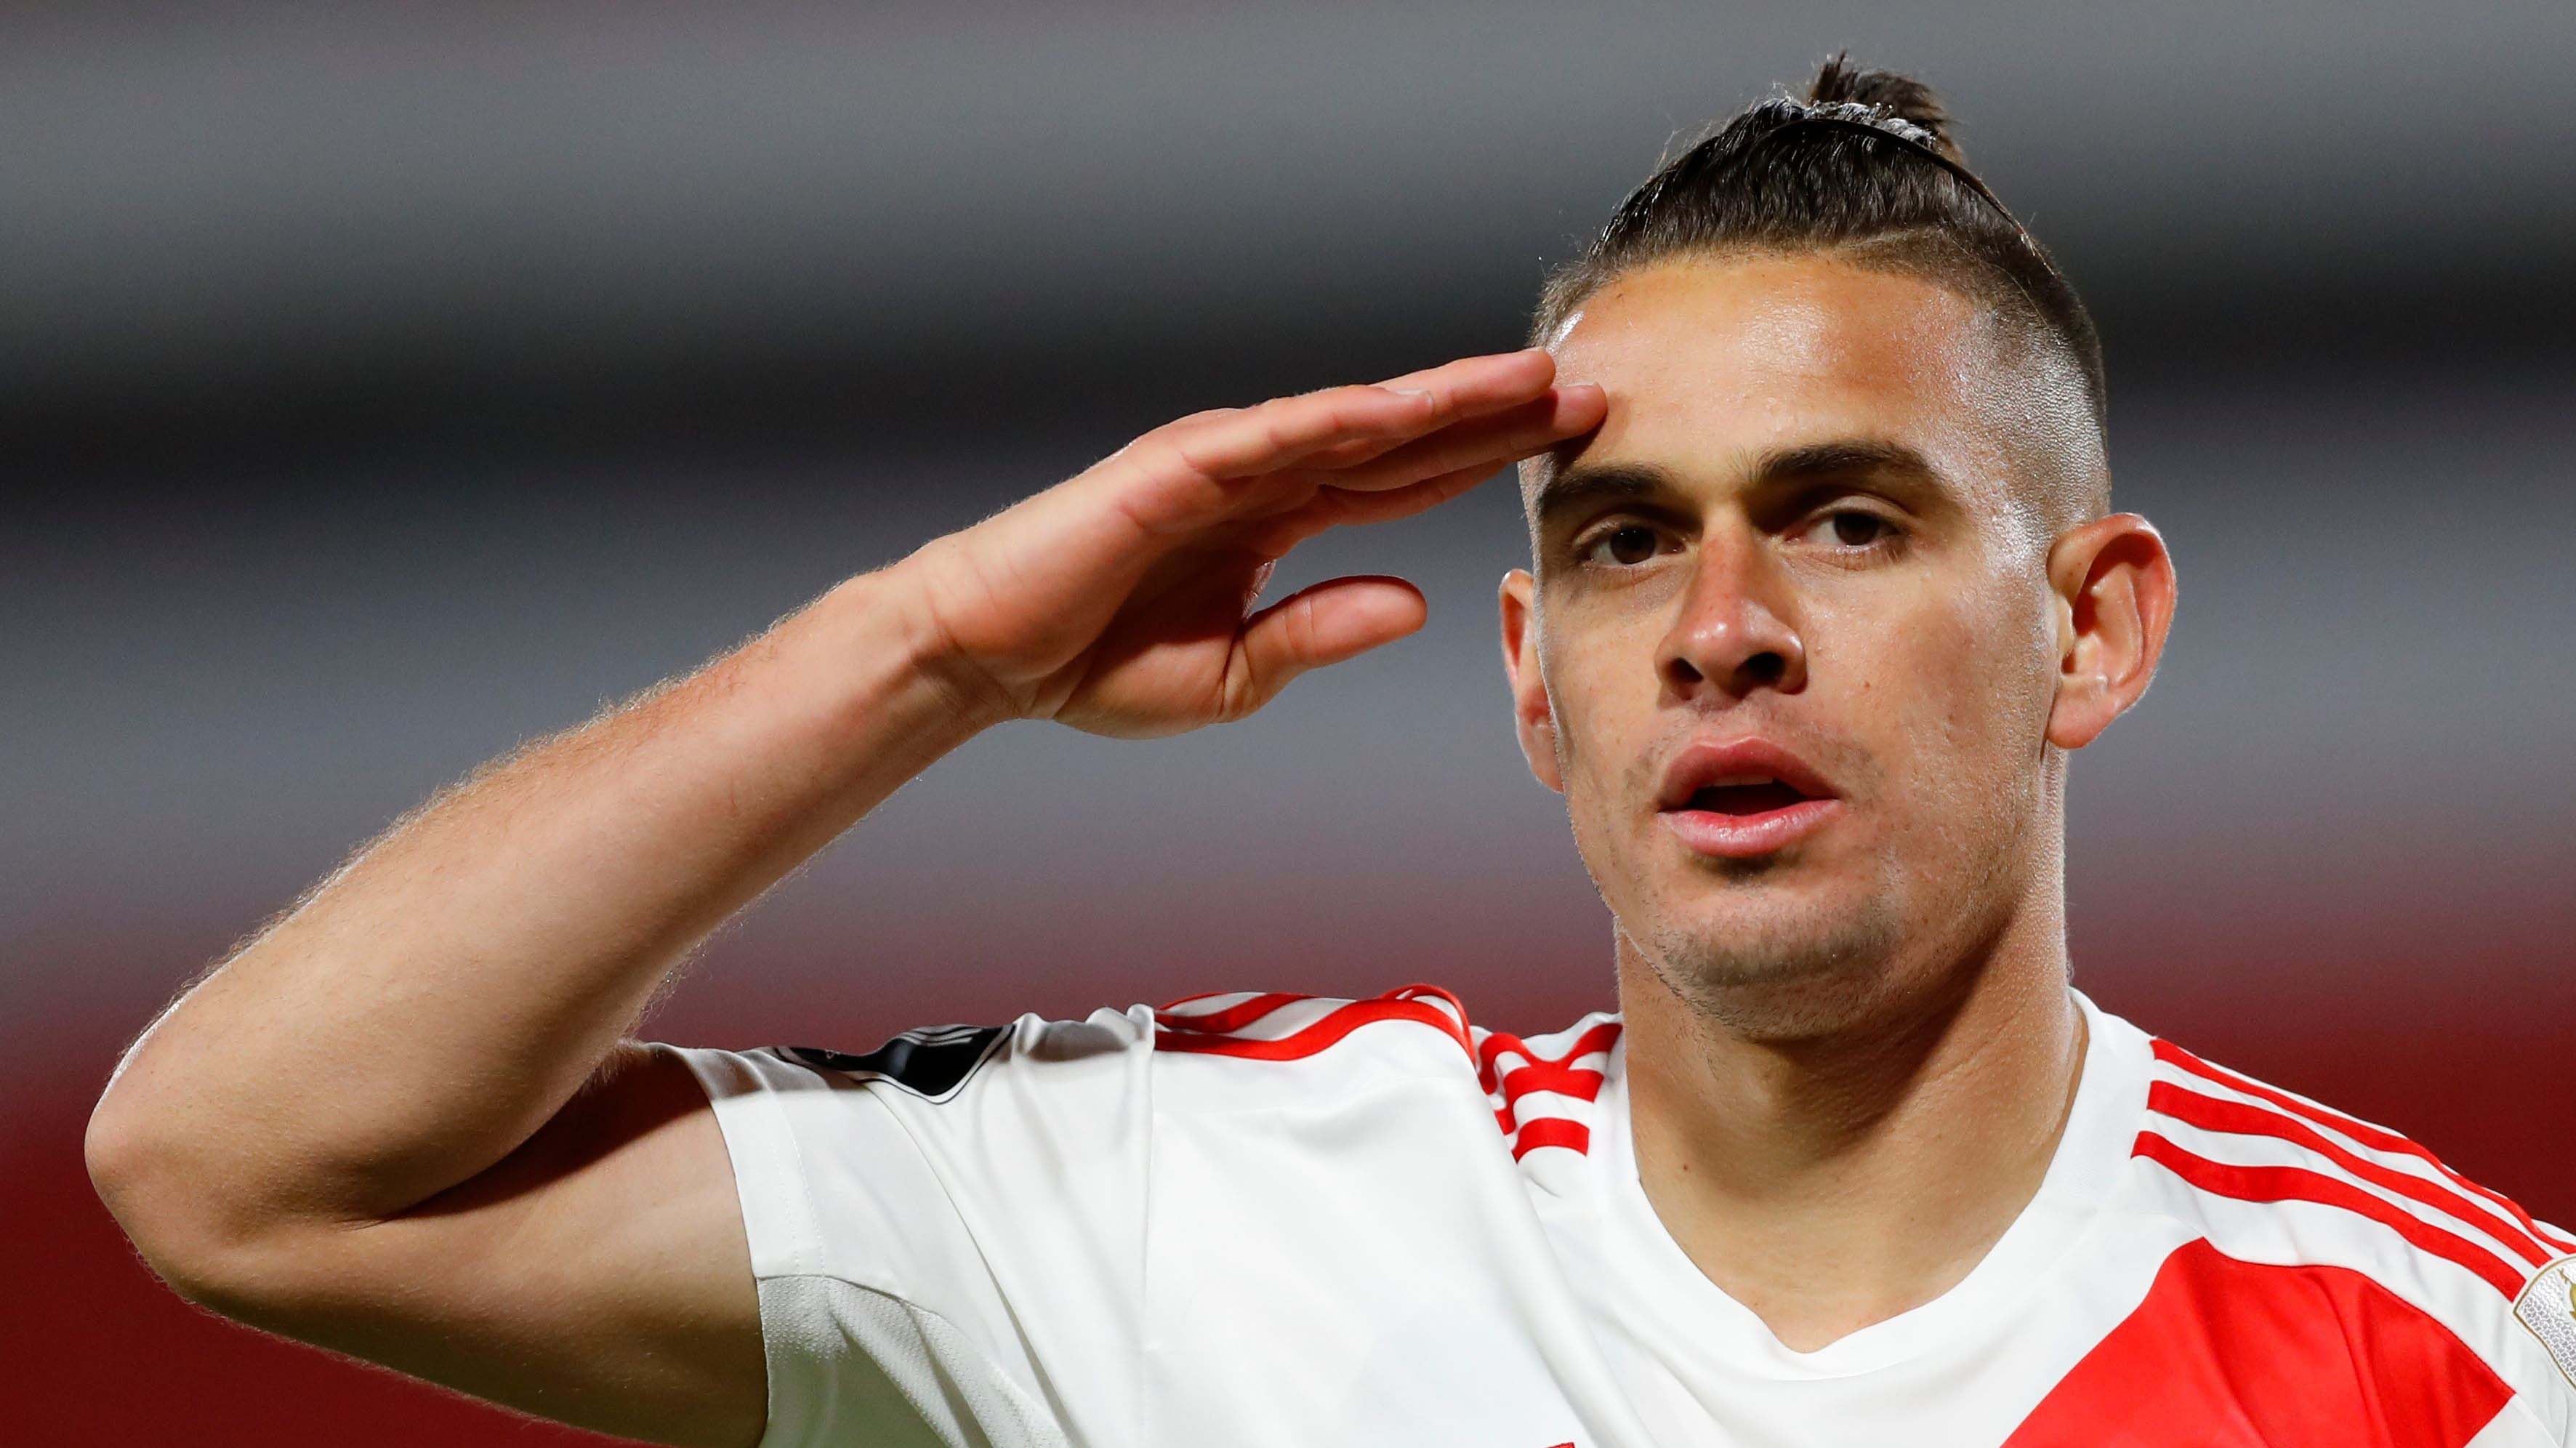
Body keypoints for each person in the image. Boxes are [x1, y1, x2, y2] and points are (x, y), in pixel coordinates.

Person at [85, 55, 2576, 1448]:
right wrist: (932, 643)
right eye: (1621, 548)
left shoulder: (2443, 1363)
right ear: (1529, 675)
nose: (1719, 630)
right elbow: (246, 1173)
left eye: (1841, 518)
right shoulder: (1205, 1213)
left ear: (2091, 630)